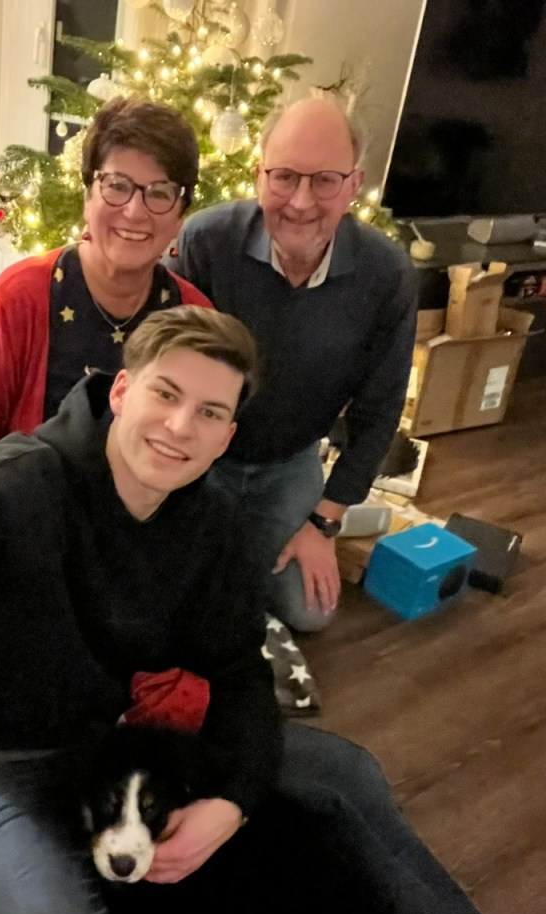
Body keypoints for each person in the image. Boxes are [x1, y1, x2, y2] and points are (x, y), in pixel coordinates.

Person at [0, 305, 544, 914]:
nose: (181, 427)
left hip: (124, 748)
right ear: (122, 390)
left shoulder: (211, 525)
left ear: (227, 434)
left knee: (344, 772)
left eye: (209, 412)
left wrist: (232, 802)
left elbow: (239, 672)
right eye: (166, 394)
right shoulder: (9, 488)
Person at [167, 93, 418, 633]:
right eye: (284, 177)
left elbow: (379, 410)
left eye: (325, 180)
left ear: (354, 184)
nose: (301, 202)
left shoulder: (388, 274)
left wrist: (324, 522)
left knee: (312, 611)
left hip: (290, 462)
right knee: (170, 589)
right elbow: (166, 373)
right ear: (259, 175)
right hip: (199, 458)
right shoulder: (205, 242)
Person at [0, 96, 211, 466]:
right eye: (117, 185)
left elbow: (198, 450)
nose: (135, 211)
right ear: (87, 195)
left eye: (160, 193)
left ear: (181, 215)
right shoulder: (19, 296)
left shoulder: (195, 317)